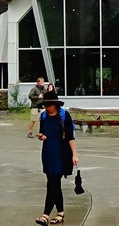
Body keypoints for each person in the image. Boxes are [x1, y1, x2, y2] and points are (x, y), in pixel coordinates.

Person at [35, 91, 79, 225]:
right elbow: (43, 133)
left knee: (52, 183)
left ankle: (45, 214)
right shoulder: (43, 116)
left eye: (49, 105)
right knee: (54, 182)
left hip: (62, 153)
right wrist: (41, 136)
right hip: (48, 152)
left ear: (55, 104)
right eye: (45, 105)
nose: (47, 108)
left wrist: (75, 154)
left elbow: (70, 137)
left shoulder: (64, 115)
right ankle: (60, 213)